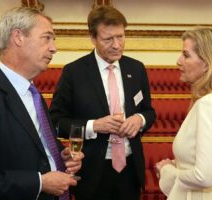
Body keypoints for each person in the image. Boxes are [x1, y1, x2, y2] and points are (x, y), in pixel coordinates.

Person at [0, 7, 84, 200]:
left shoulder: (34, 94)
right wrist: (39, 183)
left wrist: (61, 156)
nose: (54, 48)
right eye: (47, 38)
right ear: (18, 37)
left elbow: (38, 144)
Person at [49, 5, 156, 200]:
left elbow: (149, 111)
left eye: (121, 37)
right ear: (92, 38)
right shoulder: (73, 73)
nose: (117, 45)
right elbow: (56, 122)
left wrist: (139, 119)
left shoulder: (137, 68)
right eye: (108, 39)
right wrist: (94, 126)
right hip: (92, 172)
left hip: (130, 168)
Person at [155, 27, 212, 200]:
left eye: (186, 55)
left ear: (207, 64)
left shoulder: (209, 104)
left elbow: (205, 176)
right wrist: (178, 165)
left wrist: (167, 171)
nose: (178, 61)